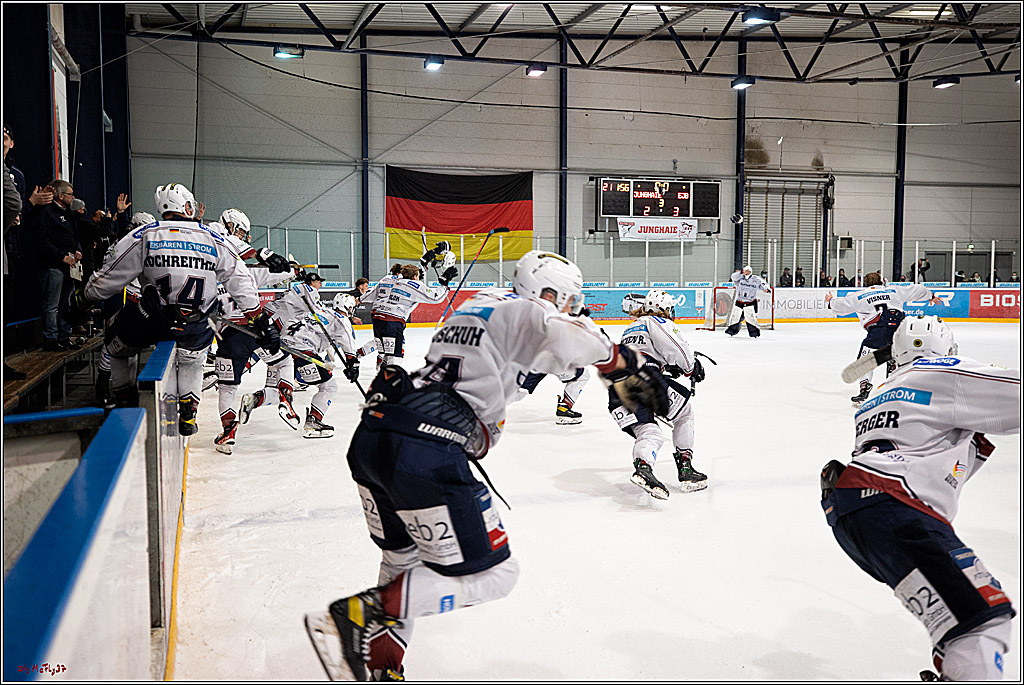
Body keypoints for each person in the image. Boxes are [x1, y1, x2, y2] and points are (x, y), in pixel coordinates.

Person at [303, 250, 670, 682]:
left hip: (375, 436)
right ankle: (358, 614)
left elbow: (544, 352)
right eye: (566, 299)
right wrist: (620, 362)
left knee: (400, 561)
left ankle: (381, 668)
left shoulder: (476, 307)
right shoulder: (527, 310)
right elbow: (564, 335)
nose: (569, 308)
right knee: (497, 575)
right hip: (429, 446)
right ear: (546, 292)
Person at [820, 315, 1019, 681]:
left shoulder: (880, 394)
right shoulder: (944, 372)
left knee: (961, 615)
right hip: (896, 509)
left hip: (859, 517)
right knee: (980, 623)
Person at [67, 183, 277, 436]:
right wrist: (257, 317)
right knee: (193, 360)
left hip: (154, 319)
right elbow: (239, 279)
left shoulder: (145, 234)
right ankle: (189, 410)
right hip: (197, 323)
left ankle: (124, 399)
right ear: (187, 207)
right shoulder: (213, 237)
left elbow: (109, 278)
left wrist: (83, 298)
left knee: (116, 338)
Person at [615, 289, 707, 499]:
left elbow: (645, 352)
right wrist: (691, 368)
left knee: (650, 433)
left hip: (618, 387)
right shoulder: (656, 321)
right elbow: (678, 349)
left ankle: (644, 469)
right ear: (663, 309)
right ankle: (686, 471)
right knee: (685, 414)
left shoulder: (632, 327)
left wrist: (665, 366)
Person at [825, 272, 942, 405]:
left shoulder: (858, 296)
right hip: (900, 329)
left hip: (878, 330)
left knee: (865, 361)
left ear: (866, 283)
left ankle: (865, 387)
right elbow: (918, 289)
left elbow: (840, 306)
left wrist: (830, 301)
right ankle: (895, 379)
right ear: (882, 282)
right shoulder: (894, 290)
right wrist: (931, 296)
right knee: (898, 355)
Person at [362, 246, 458, 370]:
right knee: (395, 359)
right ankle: (390, 383)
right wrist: (445, 284)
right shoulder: (413, 284)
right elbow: (435, 297)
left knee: (386, 353)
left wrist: (425, 261)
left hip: (378, 320)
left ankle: (382, 376)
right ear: (414, 277)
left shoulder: (392, 280)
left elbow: (416, 274)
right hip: (393, 321)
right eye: (417, 276)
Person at [279, 293, 361, 438]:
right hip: (303, 352)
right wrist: (353, 366)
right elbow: (349, 348)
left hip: (281, 347)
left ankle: (258, 398)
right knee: (329, 386)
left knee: (278, 382)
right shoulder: (342, 321)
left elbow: (290, 322)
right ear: (348, 308)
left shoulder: (318, 310)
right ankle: (314, 422)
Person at [34, 179, 82, 351]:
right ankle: (50, 339)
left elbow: (75, 236)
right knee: (51, 304)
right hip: (53, 266)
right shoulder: (46, 212)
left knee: (66, 304)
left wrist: (77, 249)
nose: (73, 197)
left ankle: (64, 335)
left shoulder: (68, 213)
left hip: (69, 267)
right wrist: (62, 257)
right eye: (70, 194)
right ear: (60, 195)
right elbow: (42, 241)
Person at [724, 265, 771, 338]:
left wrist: (766, 289)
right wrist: (741, 273)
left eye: (748, 271)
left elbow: (763, 284)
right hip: (740, 301)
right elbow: (733, 277)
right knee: (736, 317)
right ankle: (732, 331)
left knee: (750, 318)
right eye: (746, 271)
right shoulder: (740, 278)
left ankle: (754, 333)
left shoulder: (756, 279)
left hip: (750, 302)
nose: (747, 273)